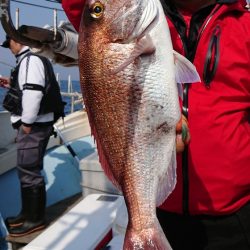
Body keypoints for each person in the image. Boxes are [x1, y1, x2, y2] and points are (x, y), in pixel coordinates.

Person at [61, 0, 250, 249]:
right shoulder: (147, 15)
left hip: (234, 214)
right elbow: (86, 9)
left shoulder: (244, 26)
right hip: (159, 207)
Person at [0, 35, 56, 237]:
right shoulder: (30, 59)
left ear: (18, 42)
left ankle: (35, 220)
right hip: (37, 125)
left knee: (30, 171)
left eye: (10, 44)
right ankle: (26, 214)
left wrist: (26, 124)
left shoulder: (31, 60)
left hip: (34, 126)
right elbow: (27, 88)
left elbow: (33, 91)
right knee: (27, 169)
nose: (9, 48)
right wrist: (10, 83)